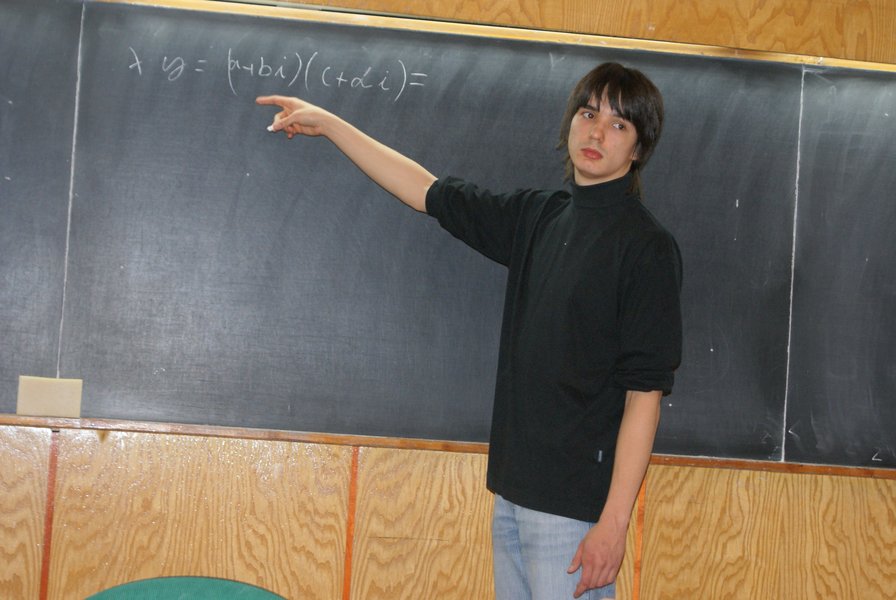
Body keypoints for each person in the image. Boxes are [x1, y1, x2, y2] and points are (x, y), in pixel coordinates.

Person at [257, 61, 682, 600]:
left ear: (639, 148)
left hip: (575, 514)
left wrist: (614, 524)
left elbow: (644, 396)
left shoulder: (645, 247)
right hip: (511, 497)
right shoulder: (540, 218)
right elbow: (428, 192)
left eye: (619, 124)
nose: (597, 132)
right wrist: (331, 125)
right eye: (588, 113)